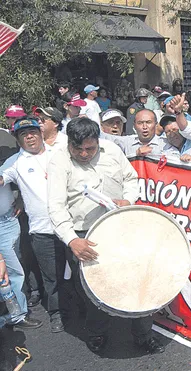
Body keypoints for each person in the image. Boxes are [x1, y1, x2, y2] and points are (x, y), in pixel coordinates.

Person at [47, 117, 164, 354]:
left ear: (98, 141)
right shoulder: (59, 160)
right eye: (76, 149)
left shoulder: (112, 151)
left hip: (119, 228)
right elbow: (56, 206)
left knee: (136, 280)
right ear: (69, 143)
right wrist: (72, 240)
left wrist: (128, 199)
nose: (83, 154)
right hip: (83, 234)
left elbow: (131, 180)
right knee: (95, 291)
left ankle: (143, 335)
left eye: (89, 149)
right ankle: (97, 333)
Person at [0, 117, 65, 332]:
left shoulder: (60, 152)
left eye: (33, 132)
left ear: (40, 133)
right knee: (51, 277)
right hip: (41, 230)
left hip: (69, 225)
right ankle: (57, 314)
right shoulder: (15, 163)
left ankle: (83, 309)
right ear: (18, 140)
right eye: (23, 134)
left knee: (77, 273)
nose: (29, 137)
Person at [0, 120, 43, 331]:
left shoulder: (7, 150)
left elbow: (9, 179)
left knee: (14, 269)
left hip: (8, 220)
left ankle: (16, 312)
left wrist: (19, 198)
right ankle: (16, 314)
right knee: (11, 271)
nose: (29, 137)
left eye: (32, 132)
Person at [105, 109, 173, 157]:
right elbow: (102, 136)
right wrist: (135, 156)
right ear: (134, 126)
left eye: (148, 122)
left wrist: (154, 155)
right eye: (140, 123)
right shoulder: (127, 142)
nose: (144, 127)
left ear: (156, 124)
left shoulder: (166, 143)